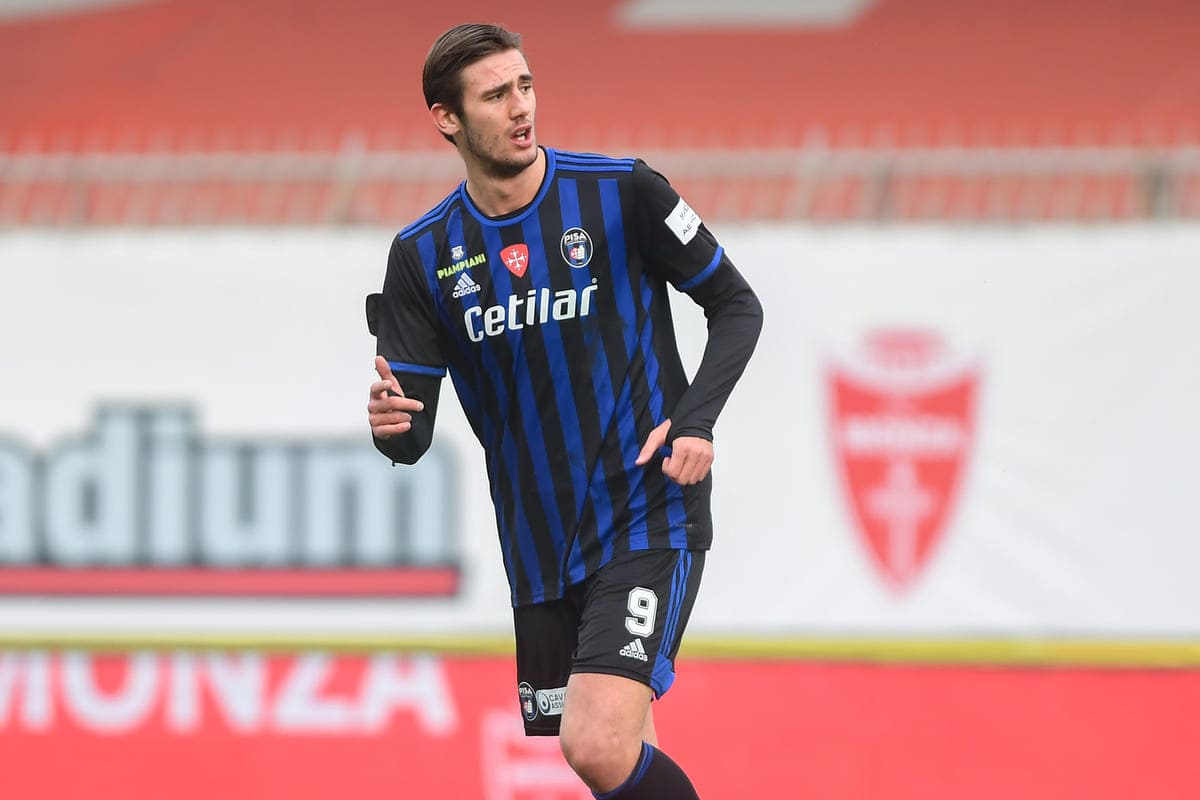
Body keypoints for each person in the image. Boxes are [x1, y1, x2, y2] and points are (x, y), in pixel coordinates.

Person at [365, 23, 762, 799]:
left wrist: (695, 419)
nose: (521, 107)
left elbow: (736, 305)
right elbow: (409, 434)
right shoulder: (423, 254)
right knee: (620, 753)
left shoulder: (623, 193)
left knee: (595, 743)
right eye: (495, 95)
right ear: (447, 118)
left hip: (646, 508)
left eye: (525, 86)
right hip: (541, 543)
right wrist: (390, 425)